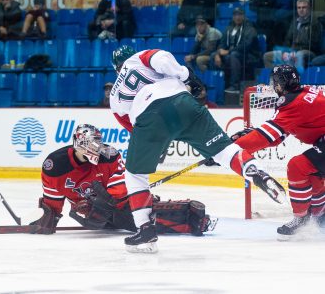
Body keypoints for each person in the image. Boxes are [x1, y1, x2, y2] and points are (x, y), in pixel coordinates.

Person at [109, 45, 285, 253]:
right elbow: (161, 57)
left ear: (115, 68)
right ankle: (258, 173)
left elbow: (133, 127)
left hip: (149, 118)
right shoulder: (139, 57)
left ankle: (145, 231)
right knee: (225, 151)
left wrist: (159, 144)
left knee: (135, 175)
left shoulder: (114, 96)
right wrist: (185, 76)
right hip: (184, 104)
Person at [28, 124, 215, 237]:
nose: (96, 147)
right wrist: (51, 214)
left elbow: (120, 189)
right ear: (79, 144)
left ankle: (190, 215)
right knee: (122, 220)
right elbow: (53, 193)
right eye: (91, 144)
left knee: (133, 219)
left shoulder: (109, 155)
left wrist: (109, 203)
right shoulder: (55, 165)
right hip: (91, 214)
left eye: (97, 142)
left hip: (115, 205)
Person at [232, 65, 325, 240]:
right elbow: (278, 135)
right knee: (310, 170)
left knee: (297, 166)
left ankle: (301, 218)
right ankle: (320, 214)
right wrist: (251, 134)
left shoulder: (292, 103)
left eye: (275, 82)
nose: (273, 86)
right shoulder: (303, 93)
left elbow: (266, 136)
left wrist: (231, 150)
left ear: (281, 84)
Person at [263, 0, 322, 74]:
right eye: (299, 7)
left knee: (298, 55)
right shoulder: (295, 22)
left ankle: (294, 82)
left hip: (308, 52)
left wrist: (294, 52)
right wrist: (285, 51)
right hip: (292, 51)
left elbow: (314, 44)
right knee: (267, 56)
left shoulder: (314, 23)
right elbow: (287, 40)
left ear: (309, 9)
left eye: (304, 7)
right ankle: (275, 80)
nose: (301, 10)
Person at [211, 7, 261, 94]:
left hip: (248, 56)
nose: (237, 17)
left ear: (244, 16)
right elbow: (221, 44)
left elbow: (246, 46)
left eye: (240, 15)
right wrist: (217, 54)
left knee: (233, 55)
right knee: (213, 56)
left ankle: (235, 86)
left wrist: (228, 52)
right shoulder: (229, 28)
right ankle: (217, 84)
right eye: (235, 15)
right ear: (233, 17)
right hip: (232, 55)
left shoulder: (250, 29)